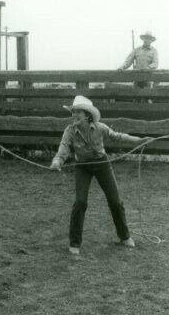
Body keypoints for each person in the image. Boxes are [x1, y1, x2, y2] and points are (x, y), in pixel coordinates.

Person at [49, 96, 153, 256]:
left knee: (115, 201)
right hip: (82, 167)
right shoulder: (70, 131)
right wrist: (57, 162)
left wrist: (139, 141)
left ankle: (124, 236)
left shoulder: (100, 127)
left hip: (102, 164)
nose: (74, 115)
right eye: (73, 112)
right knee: (80, 202)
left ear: (87, 115)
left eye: (78, 112)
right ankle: (75, 243)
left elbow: (117, 136)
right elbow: (63, 148)